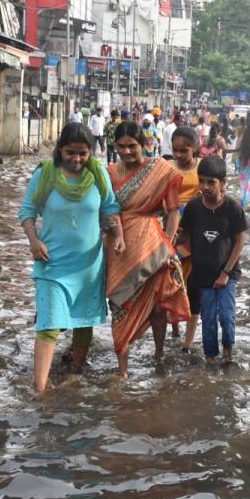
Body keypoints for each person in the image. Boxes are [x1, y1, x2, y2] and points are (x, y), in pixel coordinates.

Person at [19, 123, 124, 393]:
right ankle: (40, 389)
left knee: (83, 320)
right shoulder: (46, 175)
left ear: (91, 152)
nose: (76, 160)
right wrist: (34, 241)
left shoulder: (98, 173)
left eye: (82, 154)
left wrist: (119, 236)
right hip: (52, 263)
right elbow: (27, 211)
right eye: (70, 153)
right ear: (59, 150)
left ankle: (75, 374)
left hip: (89, 265)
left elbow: (111, 207)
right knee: (49, 324)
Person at [104, 120, 191, 378]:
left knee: (157, 308)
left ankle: (159, 354)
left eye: (132, 146)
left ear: (144, 144)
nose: (127, 151)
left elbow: (173, 211)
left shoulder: (160, 169)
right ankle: (122, 370)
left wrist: (168, 241)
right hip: (120, 247)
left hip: (154, 244)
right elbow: (108, 211)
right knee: (120, 305)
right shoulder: (109, 173)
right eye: (121, 146)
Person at [177, 156, 247, 363]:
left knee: (226, 316)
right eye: (202, 180)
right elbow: (184, 235)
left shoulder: (233, 208)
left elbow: (240, 242)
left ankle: (227, 353)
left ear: (223, 183)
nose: (205, 187)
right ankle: (210, 360)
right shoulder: (193, 207)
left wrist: (226, 273)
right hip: (202, 273)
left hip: (227, 272)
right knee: (208, 320)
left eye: (211, 182)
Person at [169, 126, 203, 351]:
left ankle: (188, 342)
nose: (179, 155)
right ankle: (174, 327)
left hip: (197, 235)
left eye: (184, 151)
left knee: (193, 286)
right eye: (176, 150)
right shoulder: (167, 169)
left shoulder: (203, 168)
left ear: (194, 148)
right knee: (172, 282)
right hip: (172, 233)